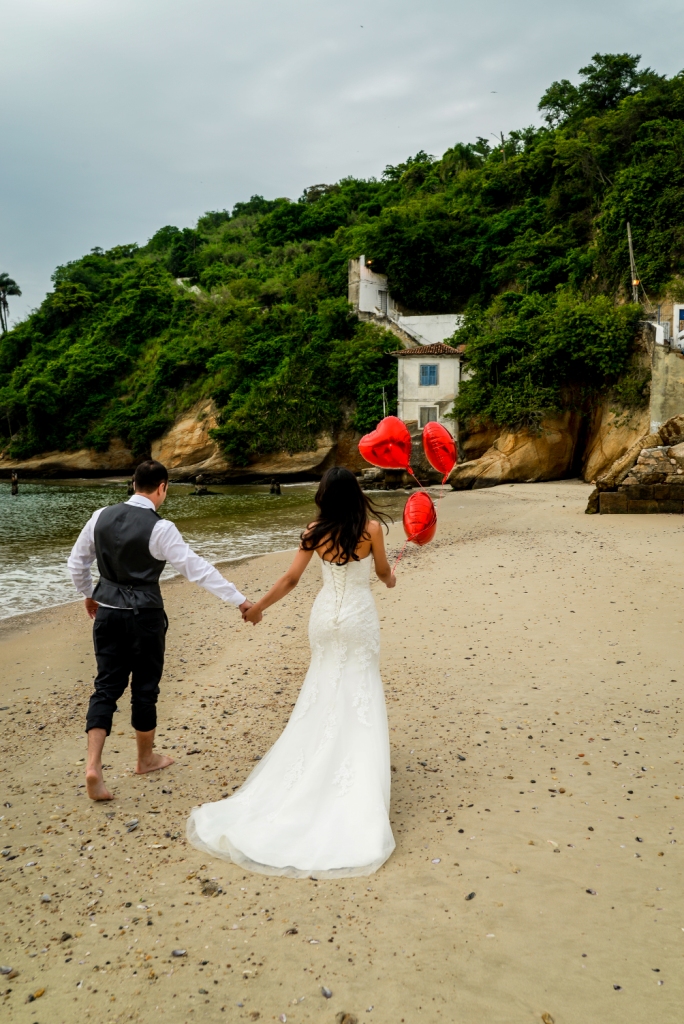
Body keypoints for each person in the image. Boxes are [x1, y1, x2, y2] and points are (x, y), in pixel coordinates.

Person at [187, 466, 397, 878]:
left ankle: (311, 759)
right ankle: (354, 773)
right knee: (359, 687)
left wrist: (257, 608)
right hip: (357, 617)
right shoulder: (371, 528)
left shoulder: (314, 530)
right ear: (355, 492)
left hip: (324, 618)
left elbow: (291, 579)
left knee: (323, 687)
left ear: (324, 495)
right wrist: (391, 580)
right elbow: (383, 573)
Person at [67, 460, 257, 801]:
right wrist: (240, 601)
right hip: (144, 618)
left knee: (105, 687)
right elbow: (196, 569)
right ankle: (145, 759)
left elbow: (76, 563)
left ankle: (93, 765)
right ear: (162, 488)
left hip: (108, 613)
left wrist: (89, 594)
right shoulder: (161, 528)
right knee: (145, 687)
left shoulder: (100, 516)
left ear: (133, 484)